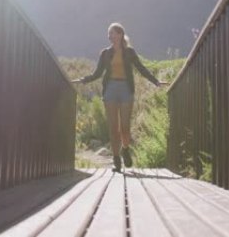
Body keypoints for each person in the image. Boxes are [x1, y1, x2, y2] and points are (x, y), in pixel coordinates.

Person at [72, 23, 168, 172]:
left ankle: (125, 149)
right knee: (113, 127)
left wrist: (155, 81)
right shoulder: (105, 53)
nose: (109, 36)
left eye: (112, 33)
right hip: (110, 89)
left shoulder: (129, 52)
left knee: (124, 126)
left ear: (120, 34)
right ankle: (116, 159)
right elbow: (98, 73)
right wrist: (82, 80)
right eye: (108, 33)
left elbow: (141, 68)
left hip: (126, 89)